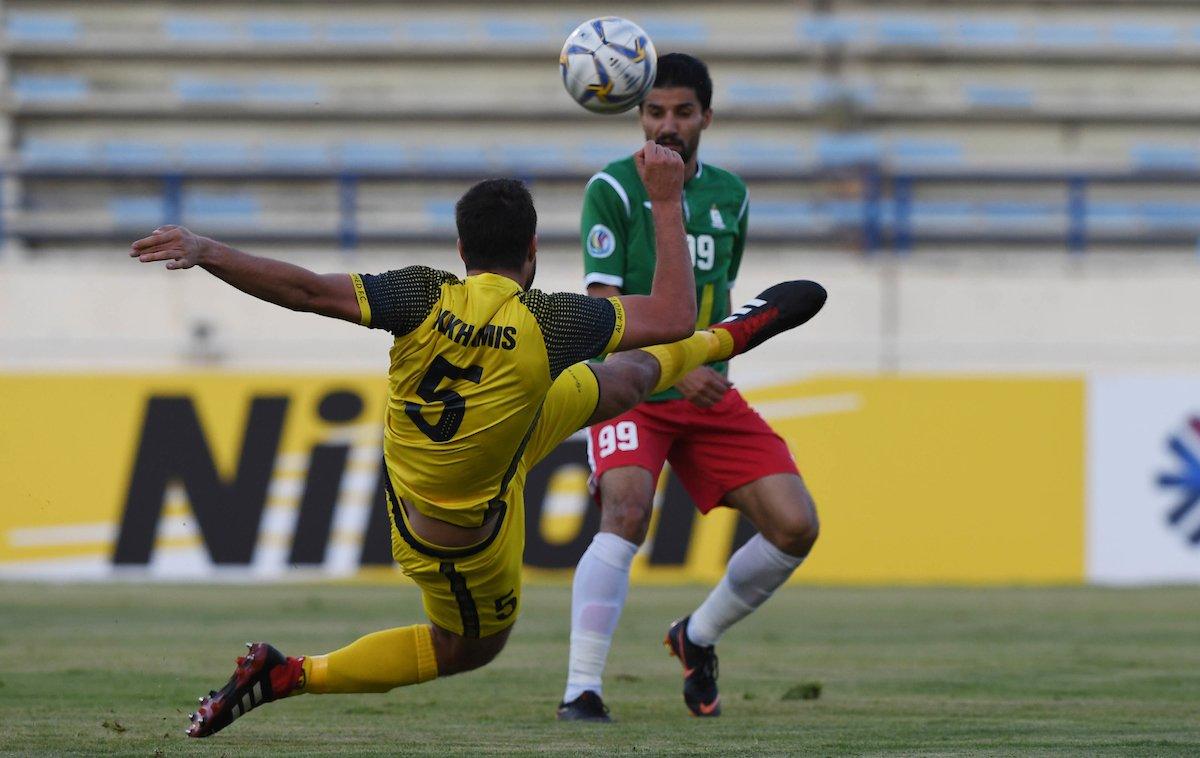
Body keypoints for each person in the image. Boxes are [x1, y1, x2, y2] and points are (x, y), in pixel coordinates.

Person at [129, 143, 826, 738]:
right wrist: (667, 200)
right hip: (472, 515)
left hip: (453, 488)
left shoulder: (420, 295)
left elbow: (307, 291)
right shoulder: (550, 320)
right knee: (472, 645)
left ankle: (729, 335)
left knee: (617, 388)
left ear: (461, 250)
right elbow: (672, 312)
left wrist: (209, 249)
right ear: (532, 250)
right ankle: (290, 673)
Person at [557, 54, 822, 722]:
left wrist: (705, 361)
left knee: (795, 527)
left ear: (706, 115)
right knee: (625, 509)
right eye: (654, 112)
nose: (667, 125)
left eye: (681, 112)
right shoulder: (612, 191)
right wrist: (680, 360)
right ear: (638, 115)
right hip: (635, 389)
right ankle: (580, 689)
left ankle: (696, 636)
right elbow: (602, 312)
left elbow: (722, 294)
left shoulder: (730, 193)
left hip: (708, 393)